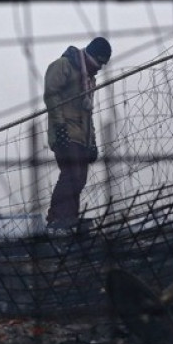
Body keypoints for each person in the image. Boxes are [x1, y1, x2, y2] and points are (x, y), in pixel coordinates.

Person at [43, 37, 112, 235]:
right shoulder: (63, 65)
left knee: (80, 177)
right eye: (99, 61)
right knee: (71, 173)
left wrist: (93, 143)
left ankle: (69, 220)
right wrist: (60, 126)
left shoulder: (89, 79)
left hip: (81, 135)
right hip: (65, 130)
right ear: (92, 55)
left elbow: (88, 114)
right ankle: (56, 219)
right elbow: (51, 94)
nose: (100, 67)